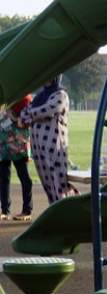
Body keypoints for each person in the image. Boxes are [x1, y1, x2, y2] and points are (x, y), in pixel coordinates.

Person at [20, 76, 76, 205]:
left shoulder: (61, 94)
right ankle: (54, 208)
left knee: (58, 179)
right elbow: (23, 113)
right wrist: (31, 115)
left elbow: (48, 110)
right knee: (46, 180)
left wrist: (31, 114)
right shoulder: (40, 96)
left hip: (54, 145)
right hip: (38, 145)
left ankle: (67, 205)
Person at [0, 96, 34, 222]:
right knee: (3, 177)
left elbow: (27, 121)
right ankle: (4, 210)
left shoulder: (25, 98)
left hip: (18, 144)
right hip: (3, 142)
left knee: (24, 176)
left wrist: (13, 117)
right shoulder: (6, 97)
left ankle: (27, 210)